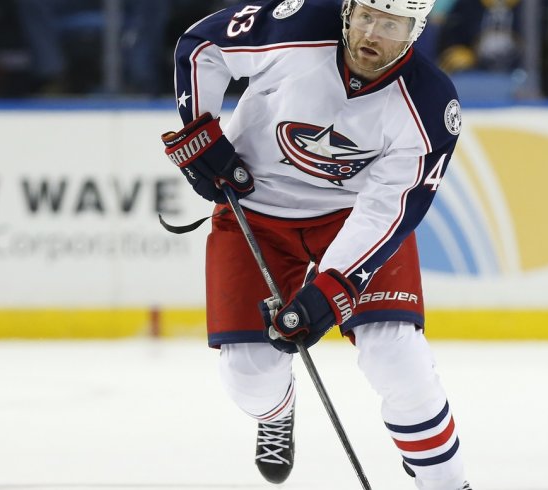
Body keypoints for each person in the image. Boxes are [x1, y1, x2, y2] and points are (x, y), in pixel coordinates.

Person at [161, 1, 470, 489]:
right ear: (347, 10)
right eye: (366, 16)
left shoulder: (431, 105)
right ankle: (277, 410)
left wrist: (333, 288)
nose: (372, 34)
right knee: (249, 376)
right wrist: (200, 130)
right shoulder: (296, 24)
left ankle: (447, 484)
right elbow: (201, 47)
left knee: (397, 356)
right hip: (254, 204)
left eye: (392, 24)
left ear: (416, 31)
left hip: (351, 217)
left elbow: (389, 211)